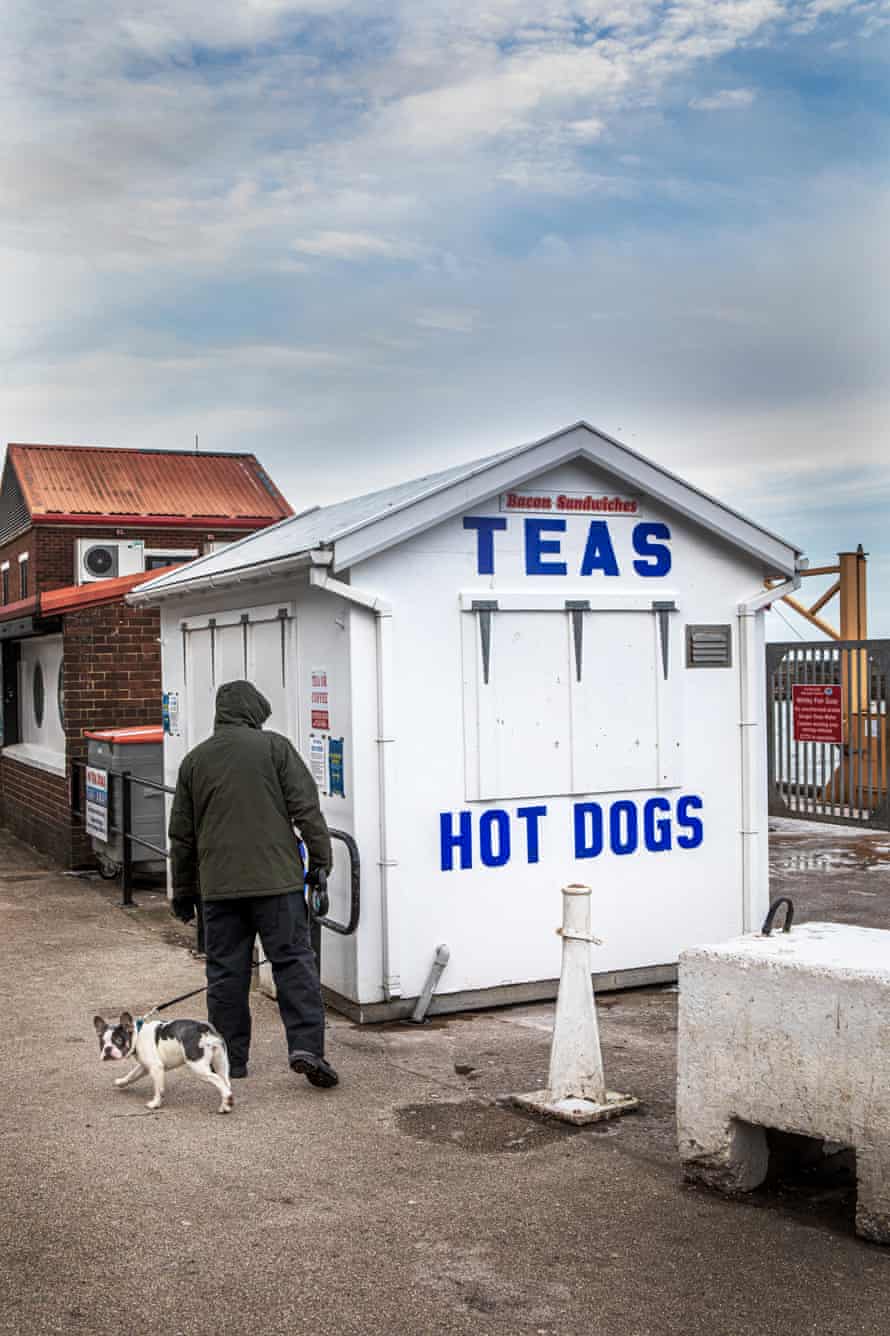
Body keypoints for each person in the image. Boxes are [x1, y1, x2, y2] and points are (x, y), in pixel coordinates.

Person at [168, 679, 338, 1088]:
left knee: (226, 975)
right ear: (255, 713)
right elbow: (307, 811)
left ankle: (231, 1060)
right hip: (277, 886)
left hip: (219, 890)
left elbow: (182, 836)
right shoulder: (276, 749)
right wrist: (320, 864)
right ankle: (306, 1049)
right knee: (294, 965)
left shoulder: (195, 761)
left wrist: (184, 891)